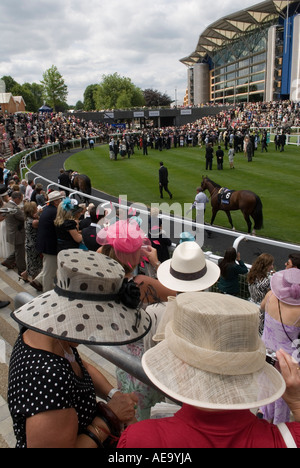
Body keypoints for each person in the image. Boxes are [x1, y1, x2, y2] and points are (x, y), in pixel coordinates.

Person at [8, 250, 152, 448]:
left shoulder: (51, 335)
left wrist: (113, 394)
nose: (94, 331)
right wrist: (110, 417)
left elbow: (78, 366)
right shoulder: (46, 377)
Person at [117, 292, 300, 448]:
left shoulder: (140, 439)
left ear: (179, 369)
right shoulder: (284, 441)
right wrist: (296, 402)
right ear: (252, 373)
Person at [96, 220, 176, 420]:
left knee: (131, 413)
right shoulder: (140, 284)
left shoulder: (101, 278)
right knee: (146, 418)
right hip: (144, 362)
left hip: (122, 359)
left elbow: (101, 252)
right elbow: (179, 294)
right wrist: (156, 263)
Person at [259, 268, 300, 424]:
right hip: (287, 360)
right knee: (283, 395)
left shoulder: (270, 296)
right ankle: (277, 424)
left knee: (265, 386)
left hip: (266, 352)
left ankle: (263, 415)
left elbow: (262, 307)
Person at [34, 190, 64, 292]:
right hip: (49, 245)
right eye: (60, 200)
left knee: (48, 266)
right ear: (55, 202)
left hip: (45, 244)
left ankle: (37, 281)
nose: (61, 201)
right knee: (49, 272)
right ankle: (46, 292)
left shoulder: (48, 209)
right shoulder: (54, 212)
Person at [2, 191, 26, 275]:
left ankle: (8, 261)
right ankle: (22, 270)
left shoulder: (7, 205)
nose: (21, 201)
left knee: (18, 250)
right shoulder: (14, 208)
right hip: (17, 233)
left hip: (12, 232)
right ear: (17, 199)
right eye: (21, 199)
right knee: (20, 253)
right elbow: (24, 218)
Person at [20, 201, 42, 283]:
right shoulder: (34, 222)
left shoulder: (27, 219)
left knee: (31, 263)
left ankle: (24, 275)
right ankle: (35, 282)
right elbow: (43, 223)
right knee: (35, 266)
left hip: (28, 244)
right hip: (34, 246)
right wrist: (39, 215)